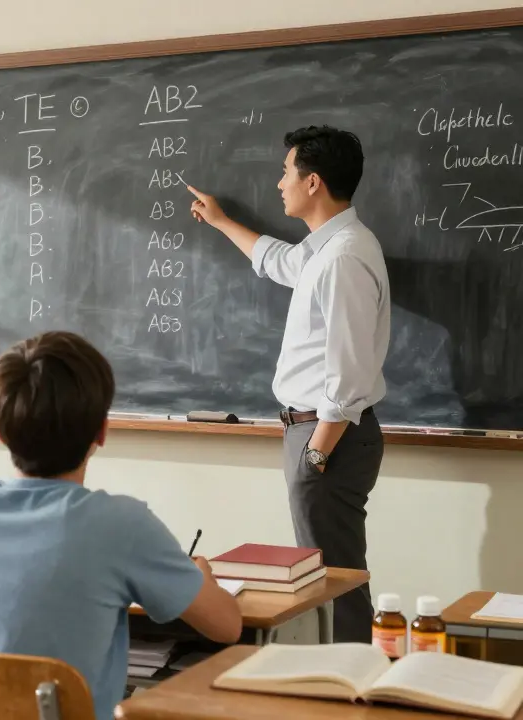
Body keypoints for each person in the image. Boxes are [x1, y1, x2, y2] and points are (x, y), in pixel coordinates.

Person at [0, 331, 241, 720]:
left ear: (2, 431)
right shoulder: (120, 525)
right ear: (102, 432)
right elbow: (227, 626)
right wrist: (202, 580)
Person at [187, 125, 388, 643]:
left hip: (328, 438)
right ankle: (340, 684)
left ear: (313, 181)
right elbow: (277, 261)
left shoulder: (343, 257)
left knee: (334, 581)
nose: (279, 183)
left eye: (285, 172)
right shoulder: (328, 250)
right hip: (318, 436)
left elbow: (349, 374)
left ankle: (346, 692)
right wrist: (222, 222)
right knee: (329, 577)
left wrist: (316, 457)